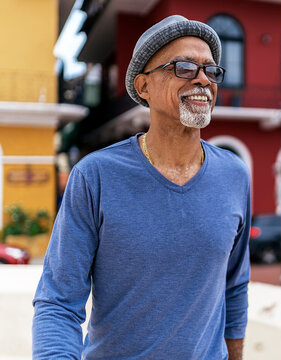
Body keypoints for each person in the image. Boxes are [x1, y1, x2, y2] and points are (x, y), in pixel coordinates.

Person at [32, 15, 251, 360]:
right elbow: (59, 301)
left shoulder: (235, 174)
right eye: (184, 68)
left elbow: (234, 287)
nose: (202, 80)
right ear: (144, 86)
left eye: (211, 71)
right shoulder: (95, 176)